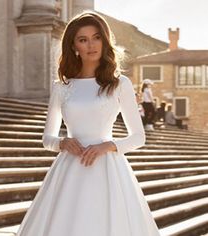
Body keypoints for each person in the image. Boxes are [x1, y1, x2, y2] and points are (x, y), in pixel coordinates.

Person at [16, 11, 161, 236]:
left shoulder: (119, 83)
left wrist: (108, 145)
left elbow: (138, 137)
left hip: (108, 170)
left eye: (96, 37)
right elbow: (47, 139)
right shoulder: (62, 87)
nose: (91, 45)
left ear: (105, 40)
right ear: (74, 45)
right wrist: (62, 143)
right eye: (83, 40)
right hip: (69, 170)